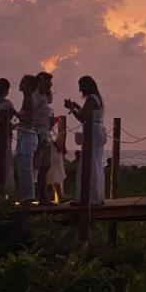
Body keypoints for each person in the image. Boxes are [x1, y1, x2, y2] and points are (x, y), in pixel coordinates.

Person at [64, 76, 106, 206]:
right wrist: (76, 106)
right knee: (95, 164)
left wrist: (71, 109)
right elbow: (87, 113)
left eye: (81, 86)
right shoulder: (97, 98)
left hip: (92, 133)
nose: (79, 89)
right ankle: (95, 196)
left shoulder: (91, 98)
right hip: (97, 132)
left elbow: (83, 118)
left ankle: (88, 198)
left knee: (89, 165)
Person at [13, 75, 40, 203]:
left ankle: (28, 196)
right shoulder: (27, 98)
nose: (20, 84)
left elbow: (28, 119)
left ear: (29, 86)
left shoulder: (29, 99)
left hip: (28, 134)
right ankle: (25, 195)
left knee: (25, 165)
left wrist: (15, 113)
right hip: (25, 133)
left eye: (23, 82)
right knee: (22, 164)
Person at [33, 72, 54, 202]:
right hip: (37, 132)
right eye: (48, 82)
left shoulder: (44, 96)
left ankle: (43, 195)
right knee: (37, 165)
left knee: (46, 165)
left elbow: (50, 99)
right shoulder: (35, 96)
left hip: (45, 132)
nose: (51, 84)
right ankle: (38, 195)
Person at [47, 118, 67, 203]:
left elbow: (60, 146)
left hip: (52, 157)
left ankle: (57, 198)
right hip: (54, 156)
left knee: (53, 178)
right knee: (53, 179)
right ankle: (55, 198)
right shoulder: (53, 133)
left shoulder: (49, 133)